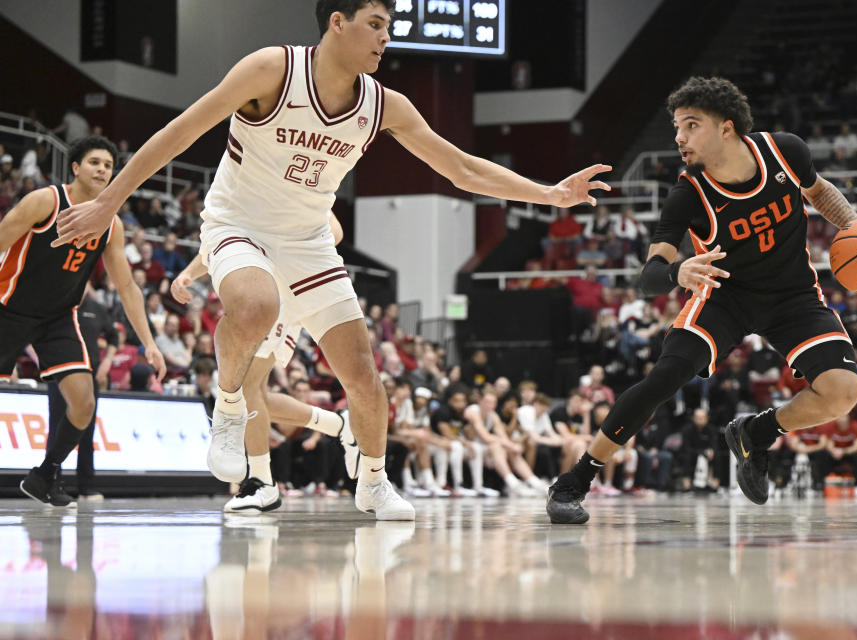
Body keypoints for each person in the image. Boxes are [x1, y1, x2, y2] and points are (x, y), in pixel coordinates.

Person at [53, 0, 610, 521]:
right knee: (255, 306)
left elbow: (461, 168)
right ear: (337, 23)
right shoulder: (272, 69)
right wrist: (108, 202)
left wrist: (552, 194)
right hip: (237, 223)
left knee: (363, 376)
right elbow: (180, 133)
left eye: (389, 27)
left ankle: (372, 479)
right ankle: (227, 409)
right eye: (375, 23)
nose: (385, 38)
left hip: (309, 241)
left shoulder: (385, 104)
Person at [547, 76, 857, 523]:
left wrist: (855, 225)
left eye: (691, 125)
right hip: (725, 297)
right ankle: (574, 480)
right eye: (676, 126)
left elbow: (818, 191)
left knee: (843, 392)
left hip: (793, 296)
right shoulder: (688, 194)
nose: (679, 137)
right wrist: (678, 272)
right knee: (664, 378)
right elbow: (649, 279)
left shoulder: (785, 151)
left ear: (727, 128)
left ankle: (757, 432)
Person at [0, 136, 165, 507]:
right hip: (8, 307)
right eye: (94, 162)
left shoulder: (112, 224)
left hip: (58, 317)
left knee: (83, 403)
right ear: (75, 167)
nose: (102, 170)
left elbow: (126, 287)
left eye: (108, 165)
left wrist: (149, 343)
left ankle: (44, 475)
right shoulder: (45, 201)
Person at [170, 213, 355, 512]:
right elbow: (224, 238)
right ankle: (341, 425)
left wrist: (281, 244)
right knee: (256, 394)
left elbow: (334, 231)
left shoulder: (296, 182)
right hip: (255, 293)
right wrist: (190, 273)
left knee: (246, 388)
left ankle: (262, 481)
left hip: (280, 294)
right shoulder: (246, 185)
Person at [46, 282, 118, 501]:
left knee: (87, 431)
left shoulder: (96, 308)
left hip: (91, 376)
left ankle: (86, 486)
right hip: (62, 376)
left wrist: (107, 363)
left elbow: (114, 337)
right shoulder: (58, 306)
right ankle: (51, 483)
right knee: (58, 428)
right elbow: (37, 334)